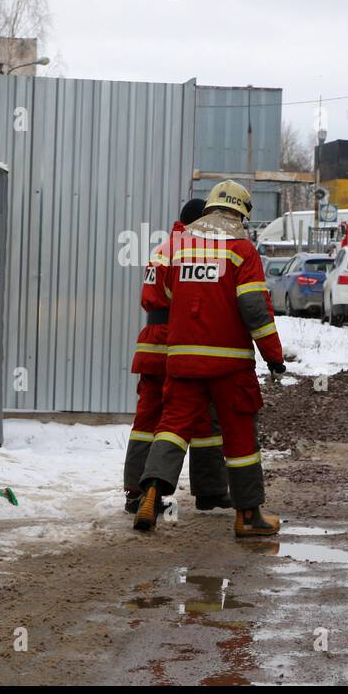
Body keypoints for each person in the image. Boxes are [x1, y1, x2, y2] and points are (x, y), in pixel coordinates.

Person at [134, 180, 285, 537]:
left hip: (182, 360)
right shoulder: (242, 250)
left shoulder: (181, 246)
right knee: (239, 436)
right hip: (229, 364)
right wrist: (273, 355)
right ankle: (248, 517)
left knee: (172, 426)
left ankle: (152, 491)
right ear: (240, 213)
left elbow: (166, 294)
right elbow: (253, 308)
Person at [123, 199, 231, 513]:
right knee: (196, 415)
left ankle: (136, 492)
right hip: (183, 342)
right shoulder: (196, 251)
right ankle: (207, 490)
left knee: (150, 419)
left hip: (155, 342)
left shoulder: (164, 248)